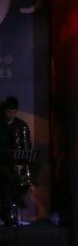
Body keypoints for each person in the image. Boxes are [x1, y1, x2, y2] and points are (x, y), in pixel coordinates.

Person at [0, 96, 31, 227]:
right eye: (8, 112)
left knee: (20, 178)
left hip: (17, 164)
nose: (11, 115)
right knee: (6, 177)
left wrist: (22, 162)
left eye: (13, 112)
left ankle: (11, 214)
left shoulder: (21, 125)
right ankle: (12, 208)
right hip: (2, 164)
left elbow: (27, 148)